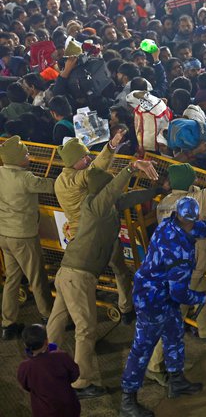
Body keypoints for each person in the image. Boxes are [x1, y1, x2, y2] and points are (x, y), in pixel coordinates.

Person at [47, 158, 160, 399]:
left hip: (68, 271)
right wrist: (130, 168)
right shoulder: (96, 205)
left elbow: (126, 198)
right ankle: (81, 381)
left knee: (58, 318)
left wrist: (157, 190)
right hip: (79, 275)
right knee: (86, 329)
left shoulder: (100, 204)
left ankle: (47, 358)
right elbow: (114, 191)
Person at [120, 197, 206, 417]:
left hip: (164, 296)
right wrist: (201, 297)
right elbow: (180, 293)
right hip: (152, 299)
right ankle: (128, 400)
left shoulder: (170, 222)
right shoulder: (179, 253)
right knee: (142, 348)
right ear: (188, 219)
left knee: (174, 335)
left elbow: (202, 228)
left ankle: (176, 381)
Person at [147, 148, 206, 384]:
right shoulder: (194, 202)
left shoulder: (165, 203)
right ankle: (154, 365)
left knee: (201, 288)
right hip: (188, 268)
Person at [54, 132, 137, 323]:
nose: (88, 158)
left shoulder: (59, 181)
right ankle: (126, 309)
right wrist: (110, 148)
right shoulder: (78, 179)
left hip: (77, 237)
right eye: (83, 157)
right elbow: (96, 170)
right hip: (99, 234)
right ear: (72, 161)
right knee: (119, 271)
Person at [0, 136, 53, 340]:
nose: (29, 156)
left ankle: (8, 324)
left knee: (12, 279)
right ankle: (49, 317)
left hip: (4, 235)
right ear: (17, 160)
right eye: (26, 154)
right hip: (23, 236)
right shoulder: (26, 178)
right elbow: (51, 186)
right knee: (37, 277)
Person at [17, 324, 81, 417]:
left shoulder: (24, 367)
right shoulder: (62, 356)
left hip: (43, 410)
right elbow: (75, 374)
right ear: (46, 341)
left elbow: (26, 386)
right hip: (69, 407)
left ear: (25, 344)